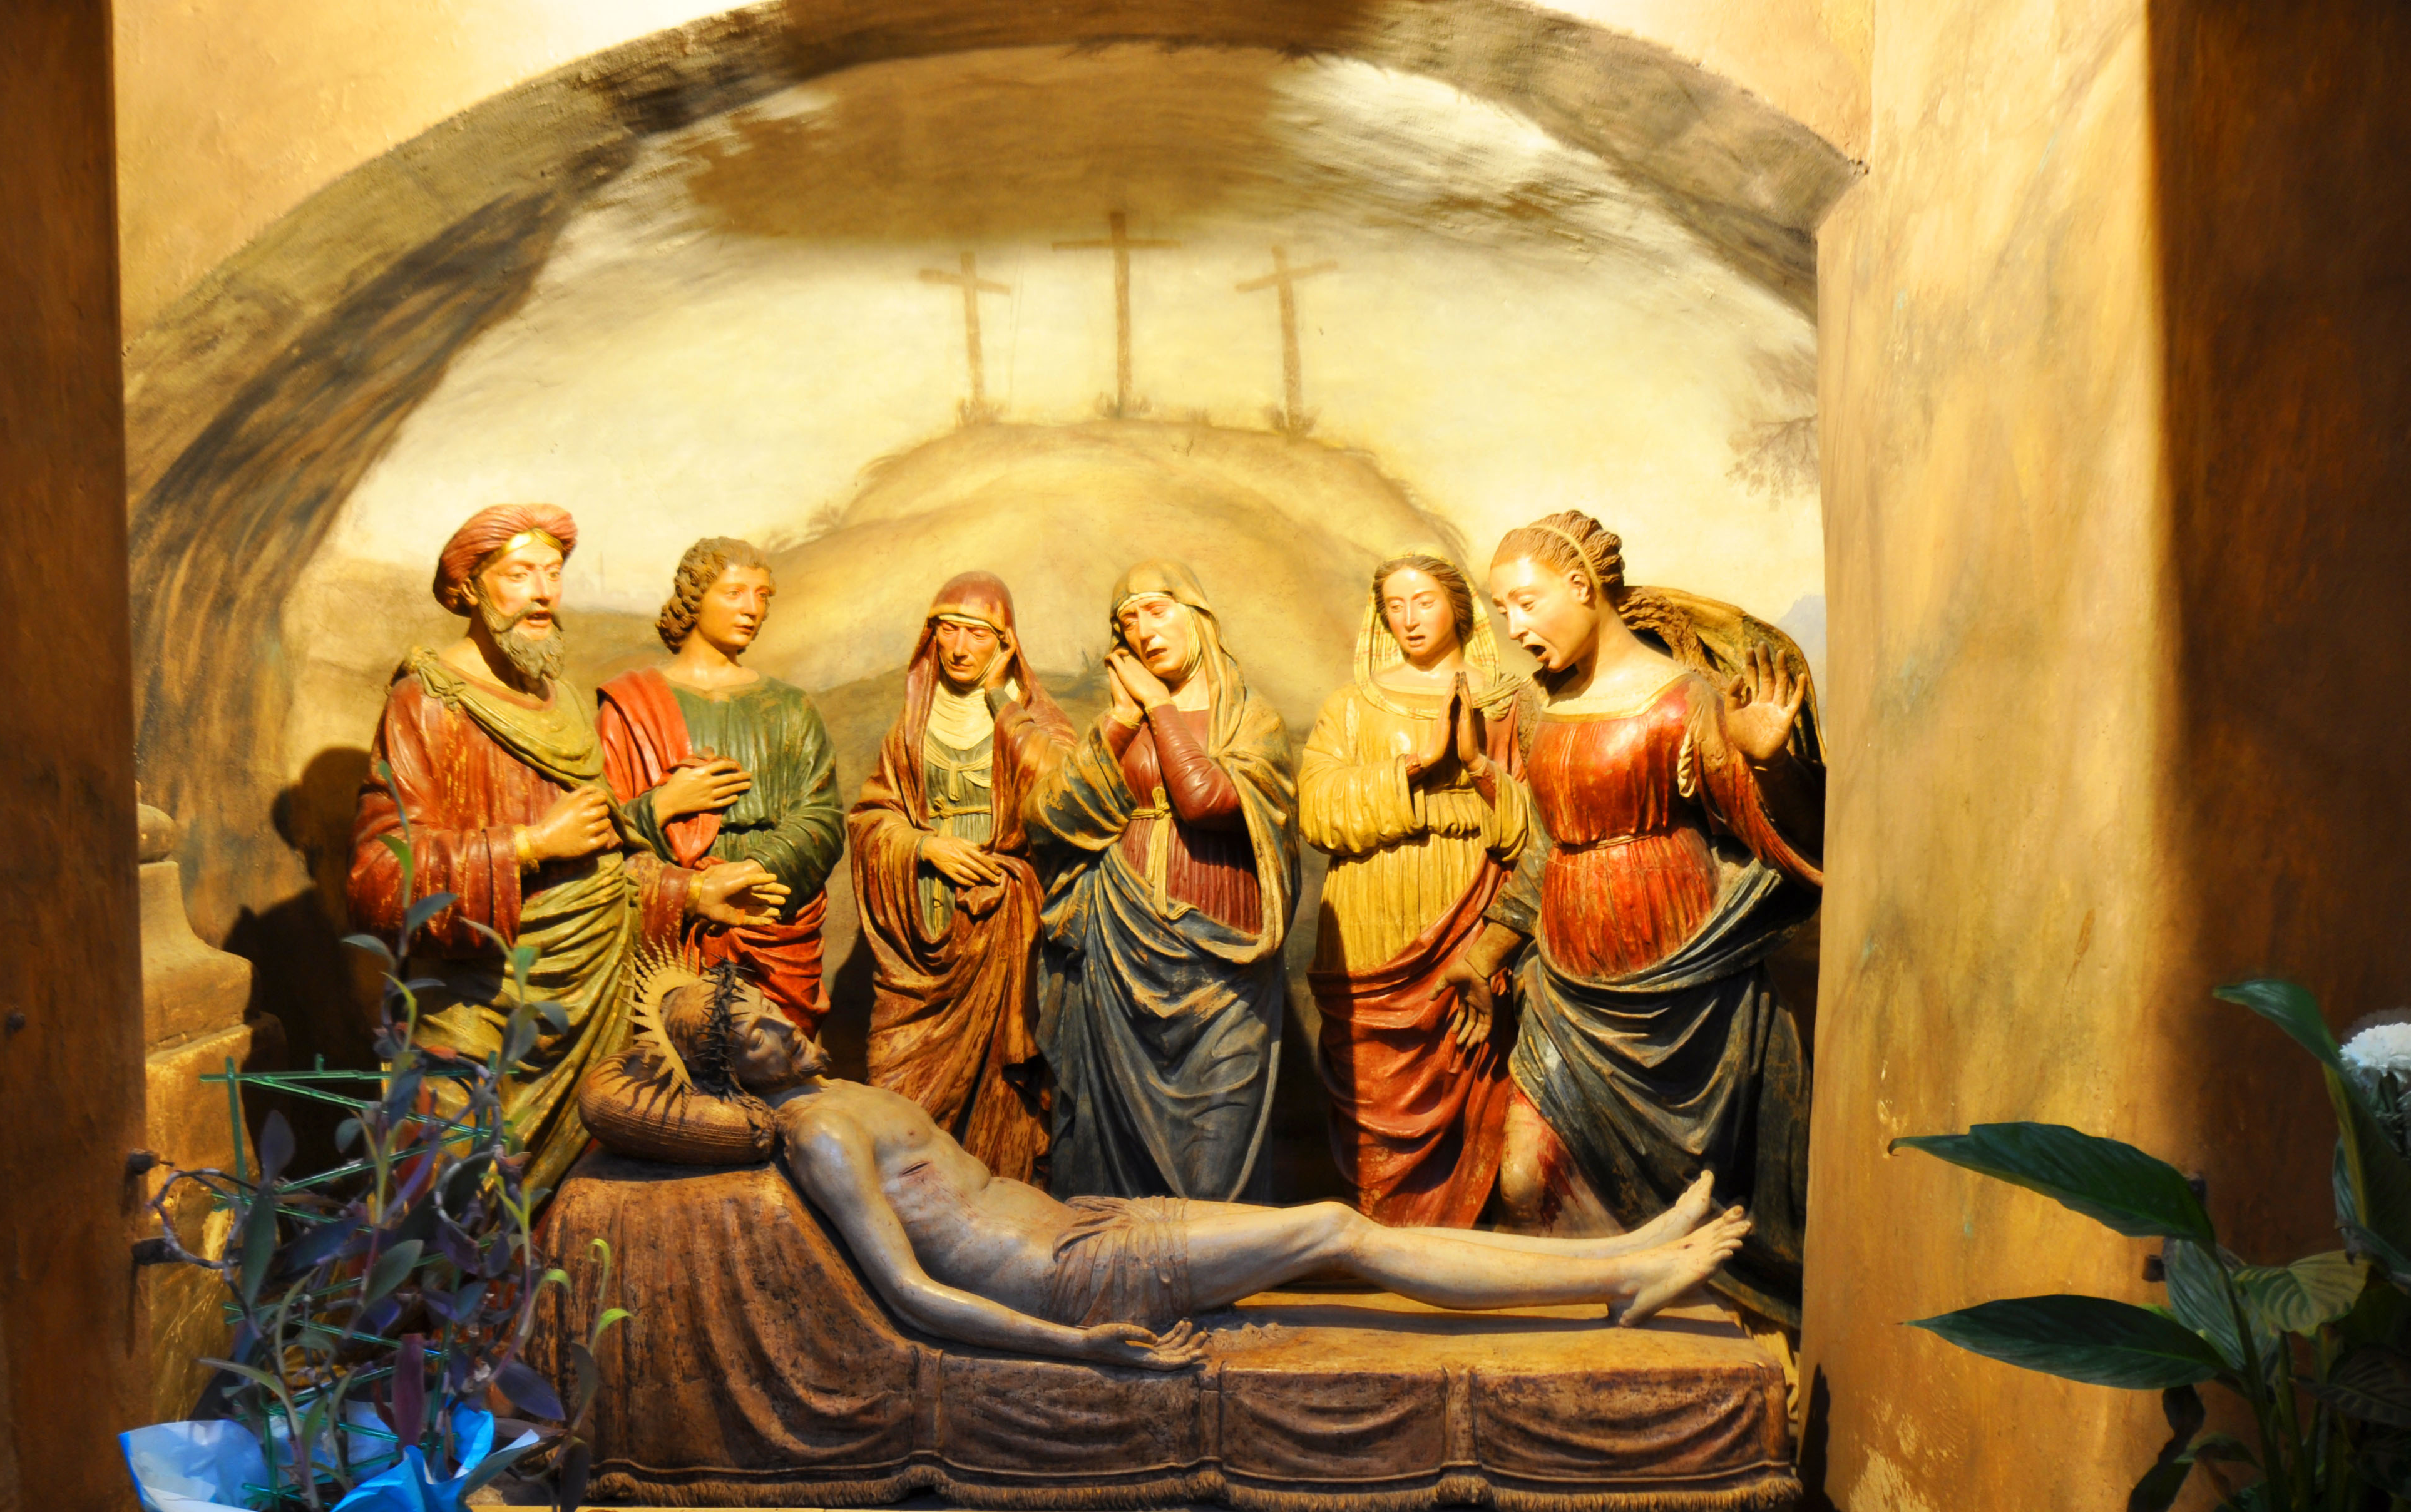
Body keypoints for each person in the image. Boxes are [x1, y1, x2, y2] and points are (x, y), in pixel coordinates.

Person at [596, 959, 1749, 1369]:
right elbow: (907, 1292)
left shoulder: (829, 1092)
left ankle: (1625, 1255)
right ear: (733, 1074)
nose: (785, 1024)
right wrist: (1076, 1345)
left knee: (1338, 1236)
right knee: (1337, 1231)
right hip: (1066, 1281)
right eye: (755, 1037)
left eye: (769, 1010)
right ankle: (1617, 1275)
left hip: (1083, 1225)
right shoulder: (812, 1132)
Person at [1438, 511, 1823, 1327]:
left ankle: (1679, 1357)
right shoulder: (1546, 709)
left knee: (1694, 1208)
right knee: (1525, 1180)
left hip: (1682, 1000)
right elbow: (1545, 848)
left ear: (1583, 586)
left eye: (1527, 603)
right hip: (1568, 993)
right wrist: (1485, 954)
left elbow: (1782, 838)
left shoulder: (1684, 701)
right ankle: (1569, 1359)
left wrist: (1768, 762)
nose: (1514, 627)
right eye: (1502, 610)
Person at [347, 504, 787, 1192]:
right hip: (482, 1006)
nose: (543, 594)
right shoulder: (428, 702)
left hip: (595, 1002)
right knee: (459, 1196)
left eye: (552, 574)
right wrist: (528, 845)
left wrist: (691, 891)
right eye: (519, 574)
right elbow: (380, 878)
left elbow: (602, 860)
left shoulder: (566, 703)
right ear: (468, 588)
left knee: (587, 1210)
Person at [1021, 560, 1299, 1202]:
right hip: (1120, 958)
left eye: (1155, 610)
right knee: (1115, 1155)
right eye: (1127, 622)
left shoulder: (1250, 720)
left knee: (1215, 1160)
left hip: (1223, 967)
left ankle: (1214, 1262)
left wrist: (1159, 707)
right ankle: (1120, 1259)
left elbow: (1204, 799)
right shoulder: (1124, 723)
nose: (1143, 632)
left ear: (1196, 616)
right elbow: (1047, 819)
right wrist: (1120, 722)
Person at [1301, 554, 1531, 1227]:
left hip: (1470, 908)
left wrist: (1476, 767)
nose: (1408, 619)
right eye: (1394, 606)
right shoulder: (1351, 707)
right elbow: (1317, 808)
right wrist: (1417, 765)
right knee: (1374, 1089)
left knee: (1468, 1063)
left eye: (1424, 601)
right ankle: (1380, 1241)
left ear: (1458, 607)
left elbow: (1539, 822)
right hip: (1370, 924)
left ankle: (1463, 1237)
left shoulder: (1508, 701)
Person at [847, 572, 1074, 1179]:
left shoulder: (1033, 720)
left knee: (1001, 1087)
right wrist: (925, 845)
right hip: (920, 941)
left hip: (1004, 935)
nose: (959, 647)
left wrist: (1001, 700)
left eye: (977, 633)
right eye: (948, 629)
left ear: (1005, 642)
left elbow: (1066, 793)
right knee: (897, 1081)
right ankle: (908, 1204)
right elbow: (871, 818)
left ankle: (998, 1206)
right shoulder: (911, 726)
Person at [599, 538, 846, 1035]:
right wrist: (664, 805)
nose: (752, 609)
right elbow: (604, 831)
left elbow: (823, 817)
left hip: (771, 915)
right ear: (694, 599)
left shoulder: (792, 707)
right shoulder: (632, 705)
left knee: (772, 1060)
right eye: (734, 593)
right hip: (674, 927)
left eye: (762, 596)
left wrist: (755, 871)